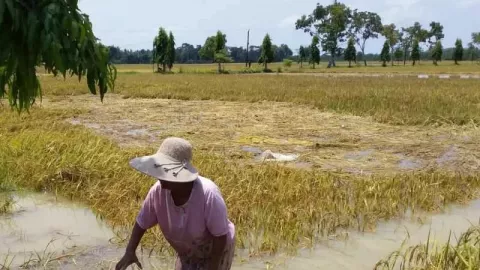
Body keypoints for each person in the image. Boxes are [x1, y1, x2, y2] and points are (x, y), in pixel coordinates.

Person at [116, 137, 235, 270]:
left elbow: (220, 235)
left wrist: (213, 267)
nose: (160, 177)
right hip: (187, 251)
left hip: (216, 249)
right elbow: (142, 222)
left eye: (165, 173)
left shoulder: (208, 194)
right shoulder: (158, 191)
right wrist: (130, 251)